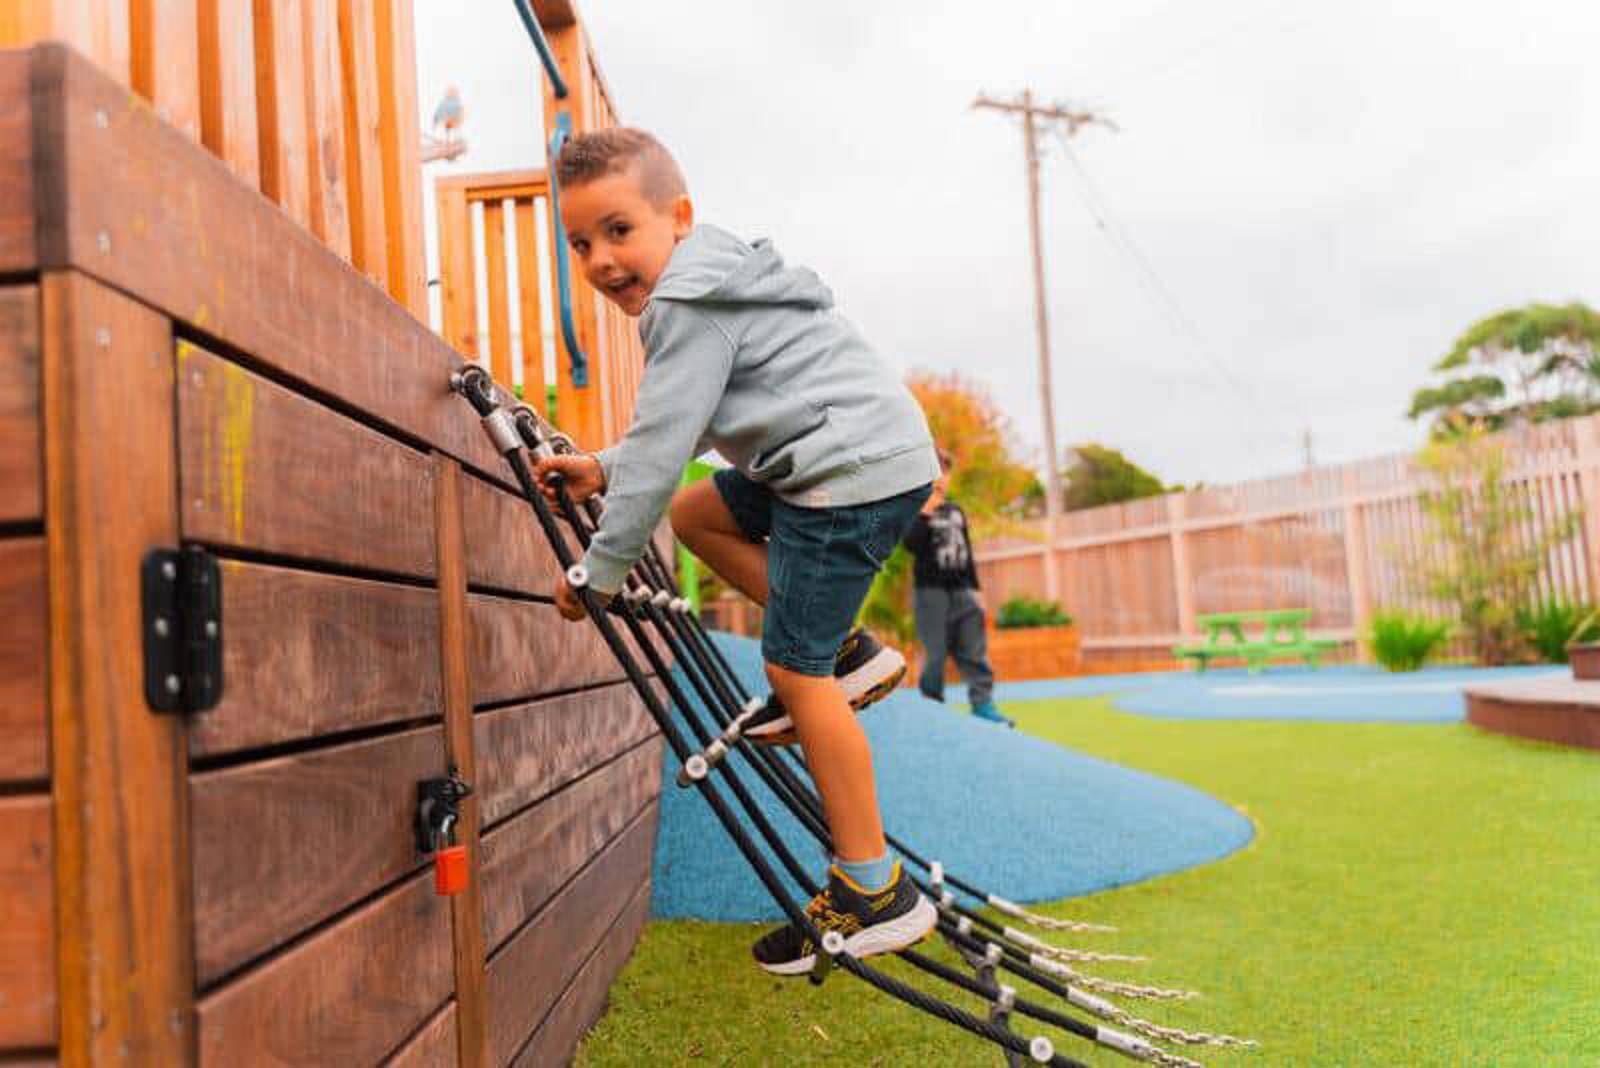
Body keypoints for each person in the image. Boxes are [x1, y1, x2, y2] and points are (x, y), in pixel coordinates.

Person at [531, 128, 939, 975]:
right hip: (843, 452)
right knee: (697, 512)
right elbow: (665, 445)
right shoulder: (717, 278)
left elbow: (662, 440)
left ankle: (874, 889)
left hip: (843, 472)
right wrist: (602, 469)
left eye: (618, 230)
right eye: (580, 244)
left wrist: (600, 571)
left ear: (676, 218)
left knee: (795, 676)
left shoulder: (687, 307)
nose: (602, 260)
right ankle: (846, 652)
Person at [902, 449, 1011, 726]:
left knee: (974, 651)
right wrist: (926, 509)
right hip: (931, 592)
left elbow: (967, 554)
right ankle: (932, 707)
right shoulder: (915, 511)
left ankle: (983, 703)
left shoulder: (956, 511)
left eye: (945, 472)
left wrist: (977, 591)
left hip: (963, 591)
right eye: (936, 470)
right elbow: (910, 546)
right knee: (935, 653)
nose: (941, 477)